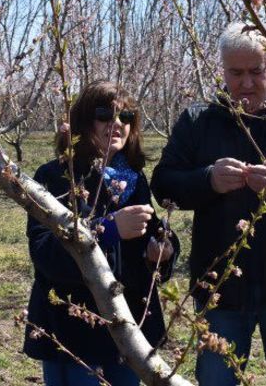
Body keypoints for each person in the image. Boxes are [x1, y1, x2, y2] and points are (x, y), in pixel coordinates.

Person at [150, 23, 266, 386]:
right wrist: (207, 180)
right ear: (223, 70)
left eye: (256, 71)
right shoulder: (200, 119)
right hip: (222, 289)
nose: (246, 83)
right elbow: (164, 183)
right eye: (235, 73)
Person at [24, 80, 180, 386]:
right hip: (74, 329)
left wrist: (162, 251)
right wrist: (106, 230)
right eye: (104, 115)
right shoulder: (56, 176)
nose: (117, 124)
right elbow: (45, 254)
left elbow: (150, 236)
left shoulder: (133, 179)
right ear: (83, 120)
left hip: (126, 325)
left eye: (126, 117)